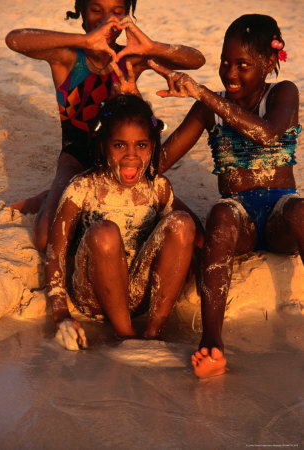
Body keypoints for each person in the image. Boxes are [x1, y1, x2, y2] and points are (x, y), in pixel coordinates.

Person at [150, 14, 303, 377]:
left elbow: (265, 135)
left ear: (269, 63)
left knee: (301, 211)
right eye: (224, 62)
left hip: (280, 211)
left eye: (243, 65)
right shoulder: (209, 107)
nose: (230, 73)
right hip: (241, 219)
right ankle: (213, 342)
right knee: (220, 214)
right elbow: (162, 161)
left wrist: (201, 92)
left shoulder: (283, 93)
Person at [5, 0, 205, 253]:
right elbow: (14, 40)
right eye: (96, 10)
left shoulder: (131, 59)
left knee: (198, 236)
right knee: (45, 239)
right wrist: (84, 41)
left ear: (127, 17)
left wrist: (152, 46)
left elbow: (196, 60)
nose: (107, 20)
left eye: (117, 13)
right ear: (82, 12)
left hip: (124, 160)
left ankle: (50, 195)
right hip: (76, 159)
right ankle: (50, 195)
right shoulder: (66, 57)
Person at [45, 94, 203, 350]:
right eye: (120, 146)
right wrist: (60, 313)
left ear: (153, 145)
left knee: (182, 223)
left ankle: (154, 334)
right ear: (103, 144)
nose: (131, 156)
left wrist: (192, 259)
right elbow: (56, 251)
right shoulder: (83, 187)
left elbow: (178, 239)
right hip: (94, 298)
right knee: (105, 232)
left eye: (141, 145)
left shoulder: (158, 187)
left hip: (139, 296)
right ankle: (126, 336)